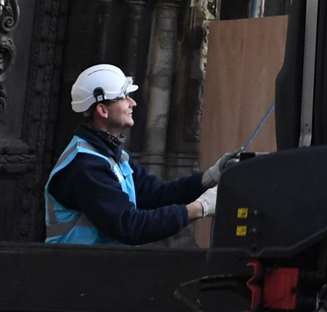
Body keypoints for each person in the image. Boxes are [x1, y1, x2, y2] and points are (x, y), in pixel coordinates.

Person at [43, 64, 230, 244]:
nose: (133, 103)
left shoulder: (109, 155)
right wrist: (199, 208)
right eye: (124, 97)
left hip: (96, 268)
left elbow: (157, 194)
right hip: (74, 269)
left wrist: (209, 177)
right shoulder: (85, 165)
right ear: (102, 110)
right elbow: (129, 226)